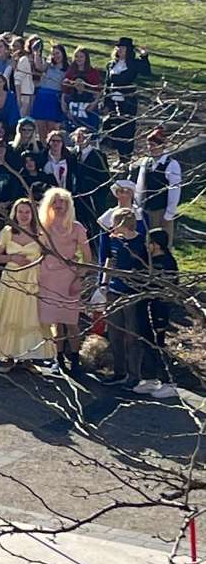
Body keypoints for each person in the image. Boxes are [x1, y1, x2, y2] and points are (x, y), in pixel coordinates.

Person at [0, 198, 52, 371]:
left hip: (32, 280)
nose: (24, 216)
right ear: (15, 214)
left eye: (27, 212)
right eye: (20, 212)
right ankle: (8, 356)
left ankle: (28, 358)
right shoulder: (7, 232)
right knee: (9, 316)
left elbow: (48, 257)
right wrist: (12, 258)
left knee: (30, 316)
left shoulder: (41, 234)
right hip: (11, 280)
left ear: (33, 214)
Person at [37, 187, 90, 373]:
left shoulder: (77, 228)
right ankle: (57, 358)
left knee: (71, 322)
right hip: (48, 277)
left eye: (63, 202)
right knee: (55, 322)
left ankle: (75, 359)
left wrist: (79, 278)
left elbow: (87, 257)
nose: (59, 206)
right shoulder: (43, 227)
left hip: (69, 278)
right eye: (55, 202)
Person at [100, 207, 149, 388]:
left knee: (132, 335)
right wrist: (104, 283)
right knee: (115, 333)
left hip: (132, 294)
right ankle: (118, 371)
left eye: (114, 223)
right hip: (114, 291)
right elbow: (109, 261)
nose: (112, 227)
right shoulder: (114, 241)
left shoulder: (141, 242)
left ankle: (133, 374)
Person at [137, 229, 179, 398]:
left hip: (158, 308)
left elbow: (169, 287)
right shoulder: (148, 261)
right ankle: (150, 377)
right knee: (146, 341)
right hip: (144, 306)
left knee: (159, 343)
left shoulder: (167, 262)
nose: (147, 246)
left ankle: (169, 381)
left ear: (157, 244)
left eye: (150, 243)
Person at [101, 37, 151, 163]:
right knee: (113, 129)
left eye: (123, 48)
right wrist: (105, 102)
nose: (120, 50)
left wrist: (144, 56)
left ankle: (126, 158)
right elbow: (107, 84)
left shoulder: (133, 64)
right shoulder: (111, 64)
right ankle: (118, 155)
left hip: (127, 102)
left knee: (126, 130)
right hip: (113, 101)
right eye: (119, 48)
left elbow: (147, 72)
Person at [135, 127, 181, 243]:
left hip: (162, 210)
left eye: (153, 145)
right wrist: (138, 207)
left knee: (161, 244)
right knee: (146, 243)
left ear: (161, 145)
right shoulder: (146, 162)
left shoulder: (171, 164)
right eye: (148, 145)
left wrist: (169, 215)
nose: (150, 148)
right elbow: (140, 186)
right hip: (147, 209)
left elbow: (174, 191)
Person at [31, 43, 69, 140]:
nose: (55, 56)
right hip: (43, 96)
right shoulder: (49, 65)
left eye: (57, 53)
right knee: (41, 126)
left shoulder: (68, 69)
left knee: (52, 127)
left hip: (55, 98)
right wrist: (37, 53)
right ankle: (43, 148)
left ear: (63, 53)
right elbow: (39, 67)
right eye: (53, 54)